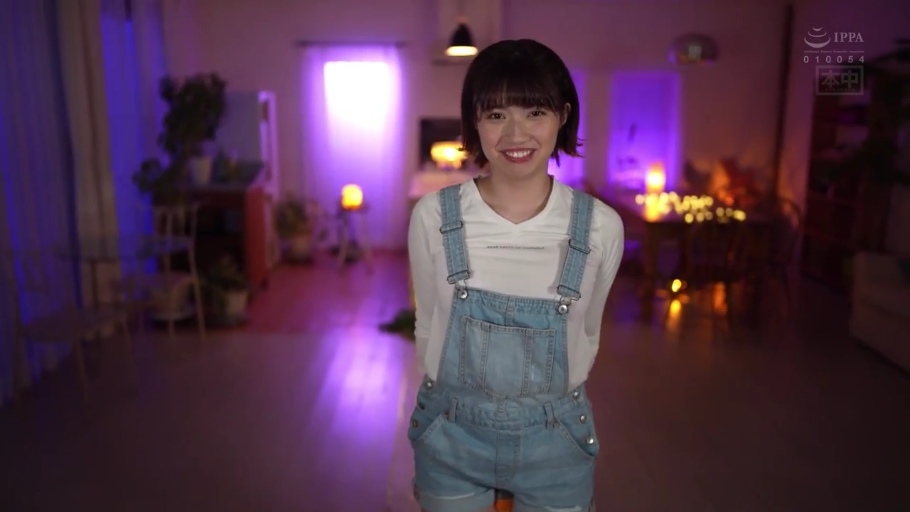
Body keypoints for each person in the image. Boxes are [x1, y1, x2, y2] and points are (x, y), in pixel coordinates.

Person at [407, 39, 624, 512]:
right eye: (496, 114)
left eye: (535, 112)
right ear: (475, 121)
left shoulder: (601, 226)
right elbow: (428, 324)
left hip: (556, 438)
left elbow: (588, 332)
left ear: (563, 115)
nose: (515, 133)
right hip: (451, 433)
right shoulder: (433, 215)